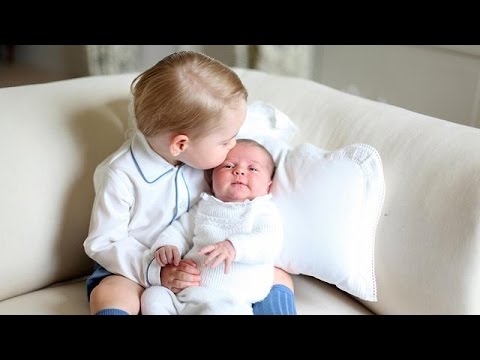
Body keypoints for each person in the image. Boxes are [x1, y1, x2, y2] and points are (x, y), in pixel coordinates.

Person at [84, 50, 296, 315]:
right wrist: (157, 271)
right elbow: (103, 242)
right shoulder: (121, 174)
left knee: (278, 276)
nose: (233, 145)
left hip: (206, 266)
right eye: (226, 141)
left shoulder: (205, 151)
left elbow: (256, 131)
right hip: (136, 267)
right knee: (113, 292)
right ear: (181, 144)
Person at [141, 139, 282, 315]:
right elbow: (180, 230)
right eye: (228, 166)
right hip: (184, 295)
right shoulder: (204, 206)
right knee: (153, 295)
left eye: (252, 169)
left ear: (268, 185)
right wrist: (168, 246)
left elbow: (269, 243)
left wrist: (234, 247)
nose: (239, 171)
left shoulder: (263, 210)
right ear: (212, 178)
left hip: (229, 301)